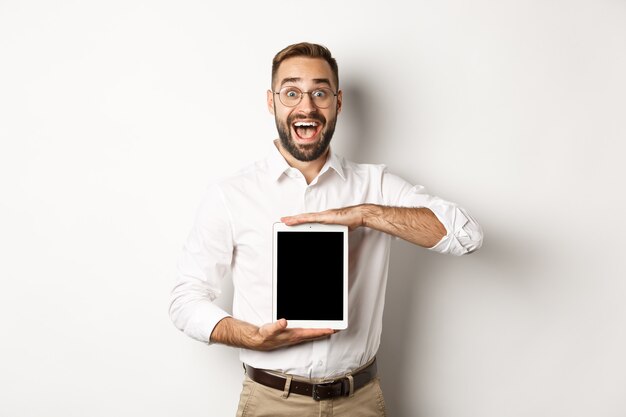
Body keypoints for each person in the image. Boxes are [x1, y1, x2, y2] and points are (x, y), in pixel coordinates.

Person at [170, 42, 483, 417]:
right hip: (271, 402)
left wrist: (366, 214)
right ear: (272, 102)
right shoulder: (231, 195)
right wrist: (249, 336)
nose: (306, 106)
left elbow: (467, 236)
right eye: (292, 92)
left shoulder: (375, 185)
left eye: (319, 92)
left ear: (338, 102)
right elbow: (185, 299)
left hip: (360, 402)